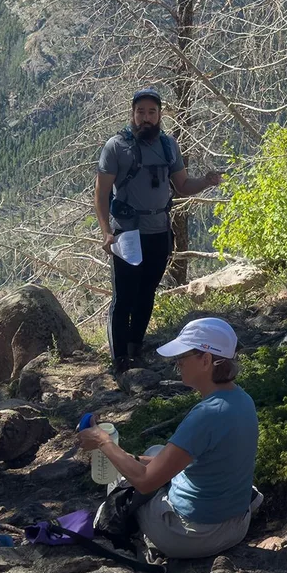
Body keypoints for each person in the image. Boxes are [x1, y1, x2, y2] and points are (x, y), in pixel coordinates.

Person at [76, 317, 261, 559]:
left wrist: (103, 442)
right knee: (155, 451)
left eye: (181, 358)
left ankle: (137, 538)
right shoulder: (240, 399)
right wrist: (131, 457)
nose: (177, 365)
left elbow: (144, 481)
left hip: (193, 536)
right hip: (236, 524)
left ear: (205, 360)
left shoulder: (207, 415)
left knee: (120, 479)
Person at [94, 88, 222, 374]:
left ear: (160, 115)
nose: (146, 118)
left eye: (152, 112)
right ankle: (119, 361)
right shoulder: (116, 147)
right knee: (124, 296)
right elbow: (101, 193)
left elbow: (183, 186)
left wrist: (206, 181)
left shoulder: (168, 146)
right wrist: (106, 232)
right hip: (127, 233)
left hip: (159, 232)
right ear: (132, 114)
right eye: (141, 112)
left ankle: (135, 349)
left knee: (147, 293)